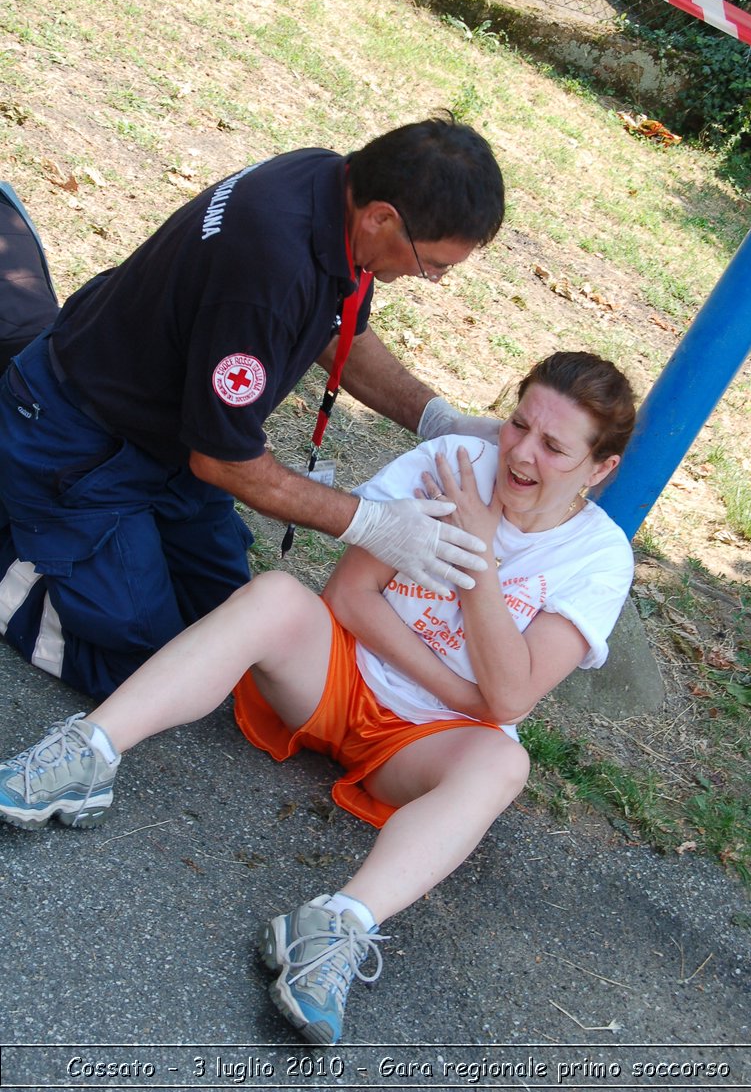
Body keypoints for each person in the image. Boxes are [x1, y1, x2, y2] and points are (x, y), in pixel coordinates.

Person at [0, 351, 636, 1045]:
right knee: (276, 595)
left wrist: (479, 558)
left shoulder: (598, 557)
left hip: (423, 750)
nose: (518, 451)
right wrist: (466, 692)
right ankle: (87, 752)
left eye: (553, 446)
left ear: (600, 468)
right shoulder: (455, 462)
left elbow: (512, 695)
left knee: (504, 766)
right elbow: (349, 598)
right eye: (517, 424)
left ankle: (335, 927)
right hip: (334, 679)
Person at [0, 114, 504, 699]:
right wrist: (370, 524)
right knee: (153, 670)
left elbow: (339, 331)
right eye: (434, 262)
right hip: (77, 440)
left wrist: (435, 416)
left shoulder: (329, 182)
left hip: (156, 438)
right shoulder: (268, 272)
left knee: (222, 630)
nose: (433, 278)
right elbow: (223, 462)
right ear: (382, 217)